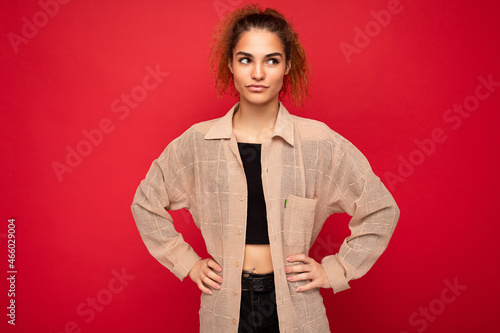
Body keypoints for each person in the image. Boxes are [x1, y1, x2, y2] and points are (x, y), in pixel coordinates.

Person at [131, 3, 400, 333]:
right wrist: (188, 263)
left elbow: (380, 209)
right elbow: (146, 202)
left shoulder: (319, 143)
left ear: (287, 66)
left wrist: (334, 270)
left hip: (297, 305)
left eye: (271, 60)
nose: (258, 73)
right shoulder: (198, 143)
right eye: (246, 59)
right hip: (223, 305)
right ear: (231, 64)